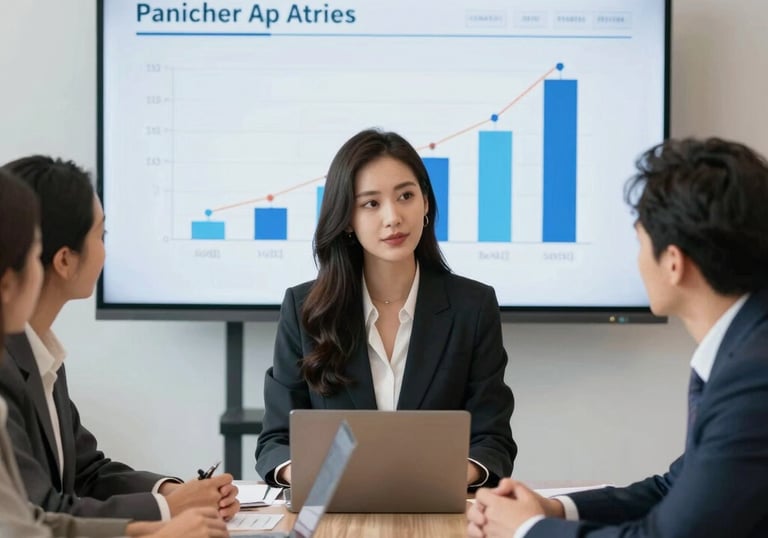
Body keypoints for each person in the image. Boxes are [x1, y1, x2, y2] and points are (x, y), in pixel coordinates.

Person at [466, 137, 768, 538]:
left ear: (674, 263)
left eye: (640, 242)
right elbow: (675, 488)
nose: (638, 260)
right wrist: (554, 509)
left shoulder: (752, 378)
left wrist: (528, 531)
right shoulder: (747, 348)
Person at [255, 128, 516, 488]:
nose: (392, 217)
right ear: (347, 218)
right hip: (335, 513)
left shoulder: (473, 307)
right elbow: (275, 442)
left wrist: (438, 477)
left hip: (438, 512)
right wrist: (314, 475)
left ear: (425, 202)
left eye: (405, 196)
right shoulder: (304, 309)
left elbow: (493, 441)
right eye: (371, 203)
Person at [0, 156, 239, 521]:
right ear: (64, 260)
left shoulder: (42, 354)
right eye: (102, 235)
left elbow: (87, 471)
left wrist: (173, 492)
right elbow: (38, 509)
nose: (106, 250)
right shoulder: (6, 368)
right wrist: (169, 510)